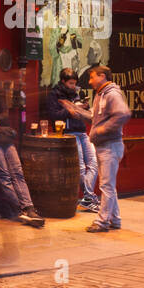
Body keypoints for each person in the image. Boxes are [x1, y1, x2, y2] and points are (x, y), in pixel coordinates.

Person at [68, 65, 131, 233]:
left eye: (92, 77)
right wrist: (77, 111)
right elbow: (94, 118)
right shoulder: (100, 95)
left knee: (106, 186)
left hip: (110, 145)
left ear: (102, 76)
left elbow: (123, 114)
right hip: (105, 146)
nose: (89, 81)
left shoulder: (111, 94)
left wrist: (103, 129)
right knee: (108, 186)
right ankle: (115, 220)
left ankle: (102, 222)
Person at [0, 76, 44, 228]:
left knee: (18, 172)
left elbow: (4, 125)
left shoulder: (0, 102)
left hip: (5, 141)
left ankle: (29, 208)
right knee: (5, 176)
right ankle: (19, 209)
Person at [46, 70, 99, 210]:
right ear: (63, 81)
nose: (73, 86)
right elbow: (53, 115)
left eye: (75, 83)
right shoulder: (54, 95)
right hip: (68, 133)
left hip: (82, 131)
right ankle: (89, 197)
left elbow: (80, 113)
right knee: (80, 167)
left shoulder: (76, 93)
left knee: (94, 162)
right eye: (71, 83)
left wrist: (83, 108)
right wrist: (69, 111)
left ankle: (88, 197)